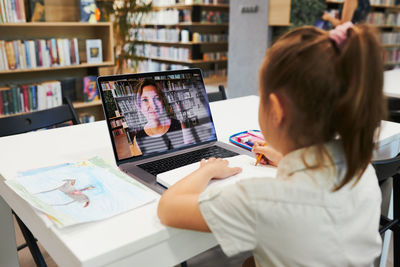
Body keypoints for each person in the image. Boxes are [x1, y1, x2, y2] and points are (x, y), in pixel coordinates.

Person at [157, 22, 385, 266]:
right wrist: (288, 158)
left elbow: (168, 207)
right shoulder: (363, 172)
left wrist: (208, 170)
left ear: (275, 110)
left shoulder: (260, 202)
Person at [132, 79, 189, 155]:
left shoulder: (179, 125)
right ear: (139, 106)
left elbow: (190, 155)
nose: (153, 105)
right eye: (145, 100)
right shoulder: (138, 139)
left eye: (157, 98)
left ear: (162, 101)